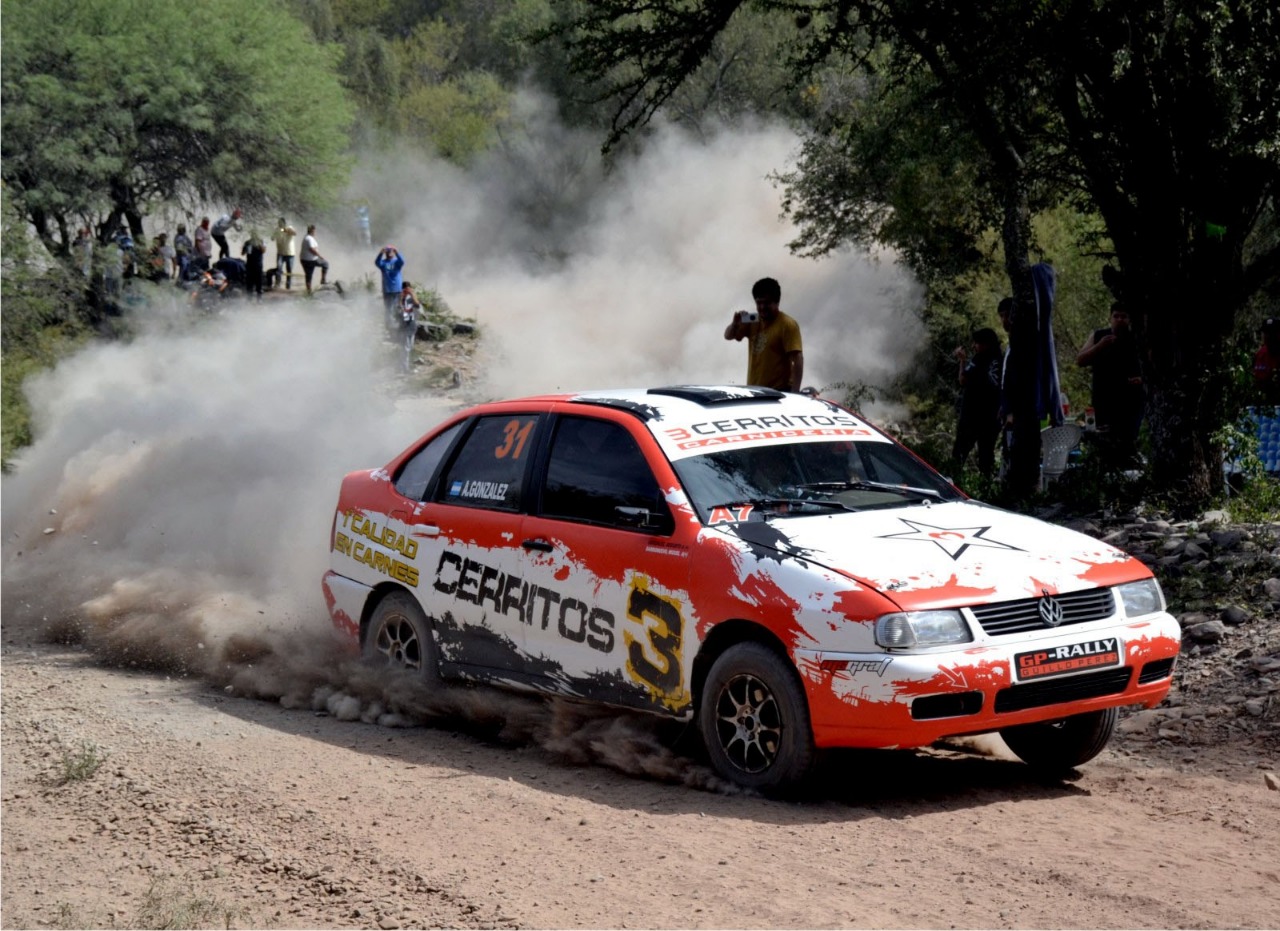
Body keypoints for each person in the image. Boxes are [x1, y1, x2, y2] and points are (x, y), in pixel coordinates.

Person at [1077, 303, 1145, 462]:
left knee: (1127, 446)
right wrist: (1100, 346)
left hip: (1130, 404)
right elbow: (1080, 360)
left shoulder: (1137, 338)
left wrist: (1141, 380)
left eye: (1123, 316)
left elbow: (1152, 366)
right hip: (1103, 402)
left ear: (1129, 319)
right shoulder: (1099, 336)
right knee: (1103, 446)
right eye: (1116, 316)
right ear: (1110, 318)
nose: (1119, 320)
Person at [723, 277, 803, 392]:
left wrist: (795, 394)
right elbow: (728, 336)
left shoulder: (787, 324)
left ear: (777, 302)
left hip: (778, 392)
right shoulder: (753, 321)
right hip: (754, 391)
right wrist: (735, 324)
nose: (762, 307)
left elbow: (798, 360)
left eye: (767, 303)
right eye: (759, 303)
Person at [950, 327, 1003, 479]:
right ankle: (985, 486)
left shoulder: (979, 359)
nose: (974, 346)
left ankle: (954, 484)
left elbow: (963, 379)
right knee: (986, 457)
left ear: (985, 344)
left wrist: (962, 360)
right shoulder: (1001, 359)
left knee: (959, 455)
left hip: (972, 416)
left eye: (977, 343)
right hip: (991, 418)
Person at [375, 245, 406, 324]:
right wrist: (381, 253)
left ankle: (399, 324)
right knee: (388, 308)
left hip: (397, 288)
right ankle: (388, 324)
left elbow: (402, 261)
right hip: (387, 289)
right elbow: (377, 262)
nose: (389, 253)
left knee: (397, 307)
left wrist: (397, 252)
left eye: (391, 251)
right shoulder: (383, 263)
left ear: (393, 252)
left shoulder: (397, 262)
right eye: (388, 251)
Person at [300, 224, 329, 293]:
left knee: (308, 275)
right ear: (312, 231)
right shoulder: (309, 238)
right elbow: (312, 249)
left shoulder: (306, 237)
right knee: (325, 264)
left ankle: (309, 291)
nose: (315, 232)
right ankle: (323, 280)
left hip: (304, 259)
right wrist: (319, 255)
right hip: (311, 260)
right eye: (314, 230)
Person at [241, 232, 267, 301]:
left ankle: (259, 298)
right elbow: (242, 253)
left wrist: (259, 245)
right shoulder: (248, 242)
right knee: (249, 282)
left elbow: (264, 251)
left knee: (259, 281)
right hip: (249, 264)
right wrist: (245, 248)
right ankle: (249, 298)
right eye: (253, 234)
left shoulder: (261, 241)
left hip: (258, 264)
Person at [273, 218, 297, 290]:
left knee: (289, 270)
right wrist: (276, 233)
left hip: (290, 253)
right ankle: (278, 283)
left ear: (284, 223)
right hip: (280, 253)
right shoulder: (277, 230)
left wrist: (283, 230)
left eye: (280, 223)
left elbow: (294, 233)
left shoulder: (289, 228)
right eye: (279, 223)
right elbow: (272, 238)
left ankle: (288, 285)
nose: (279, 224)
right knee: (279, 268)